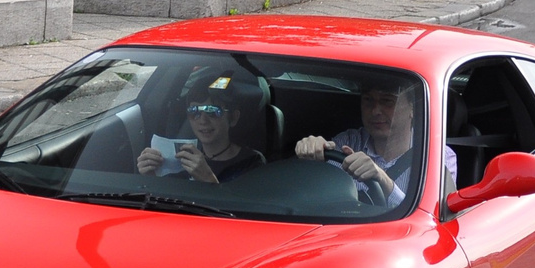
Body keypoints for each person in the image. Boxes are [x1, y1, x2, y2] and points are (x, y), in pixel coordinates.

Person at [294, 77, 458, 207]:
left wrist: (383, 179)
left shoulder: (437, 156)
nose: (375, 111)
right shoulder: (347, 141)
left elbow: (433, 221)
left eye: (387, 101)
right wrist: (311, 156)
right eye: (368, 100)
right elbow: (316, 196)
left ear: (413, 108)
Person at [136, 79, 265, 184]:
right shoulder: (179, 158)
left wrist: (209, 180)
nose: (203, 120)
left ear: (233, 118)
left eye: (212, 111)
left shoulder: (252, 163)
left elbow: (248, 212)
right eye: (194, 112)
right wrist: (151, 178)